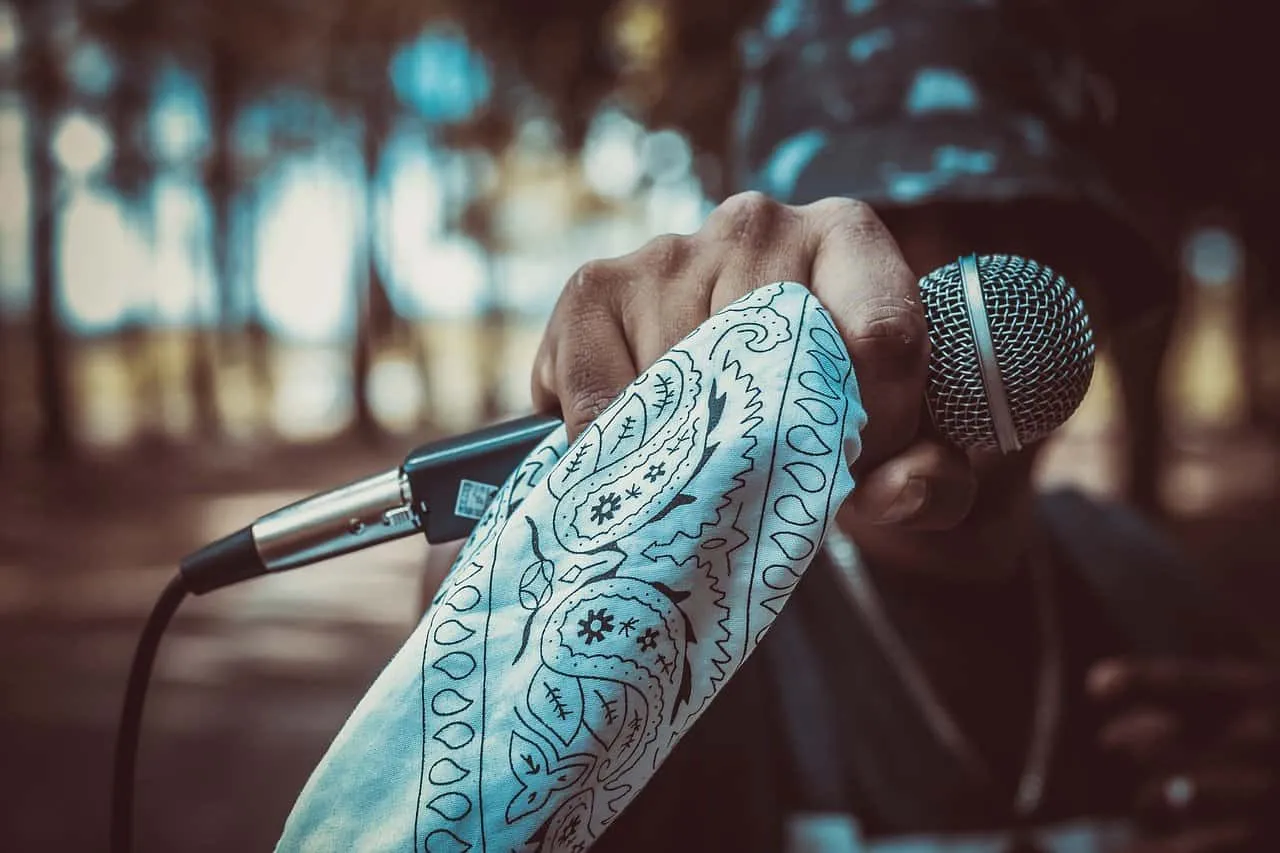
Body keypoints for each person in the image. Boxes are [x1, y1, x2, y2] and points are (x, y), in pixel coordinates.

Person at [417, 1, 1279, 851]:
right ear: (758, 275)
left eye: (1009, 224)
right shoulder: (670, 626)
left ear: (1089, 280)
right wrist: (562, 527)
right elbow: (460, 771)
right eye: (876, 229)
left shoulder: (1159, 603)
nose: (928, 299)